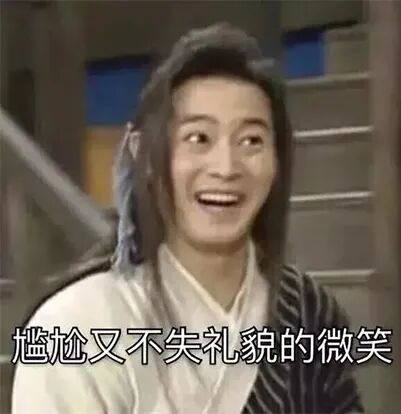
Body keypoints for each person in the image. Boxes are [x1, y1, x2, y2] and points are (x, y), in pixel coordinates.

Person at [12, 23, 364, 413]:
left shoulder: (308, 314)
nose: (226, 167)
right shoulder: (76, 326)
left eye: (251, 141)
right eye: (199, 138)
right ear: (143, 153)